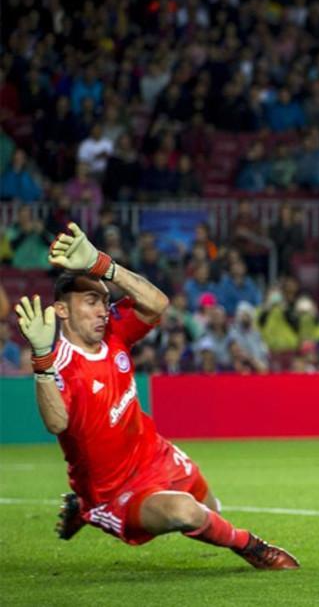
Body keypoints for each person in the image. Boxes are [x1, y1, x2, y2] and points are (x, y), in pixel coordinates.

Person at [12, 223, 298, 569]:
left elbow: (158, 304)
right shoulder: (59, 365)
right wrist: (41, 357)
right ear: (61, 310)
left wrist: (104, 265)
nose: (103, 310)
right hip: (113, 491)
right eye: (91, 302)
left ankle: (83, 510)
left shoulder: (113, 334)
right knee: (186, 513)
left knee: (212, 511)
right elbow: (56, 422)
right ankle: (251, 546)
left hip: (153, 454)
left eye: (104, 301)